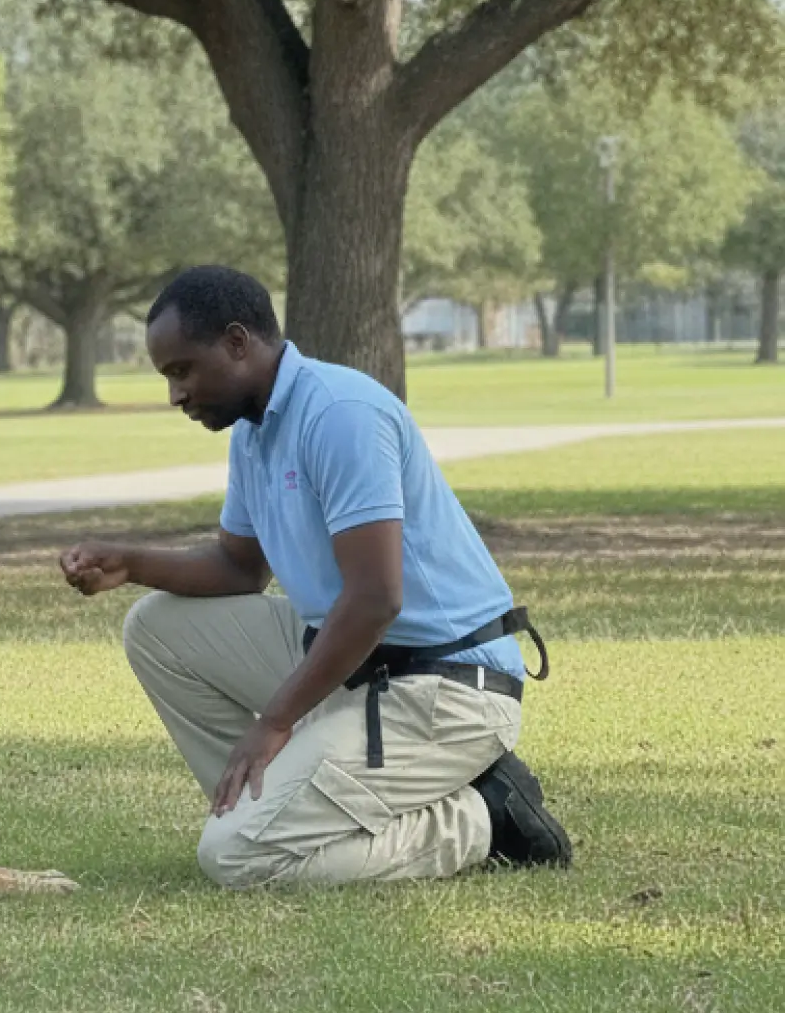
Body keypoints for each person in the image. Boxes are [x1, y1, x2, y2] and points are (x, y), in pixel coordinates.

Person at [60, 266, 571, 889]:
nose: (176, 395)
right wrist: (132, 563)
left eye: (182, 370)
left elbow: (377, 597)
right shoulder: (253, 432)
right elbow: (239, 569)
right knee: (157, 626)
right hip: (361, 670)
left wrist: (274, 721)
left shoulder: (340, 413)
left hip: (446, 689)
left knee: (235, 859)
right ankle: (274, 807)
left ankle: (484, 817)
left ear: (238, 342)